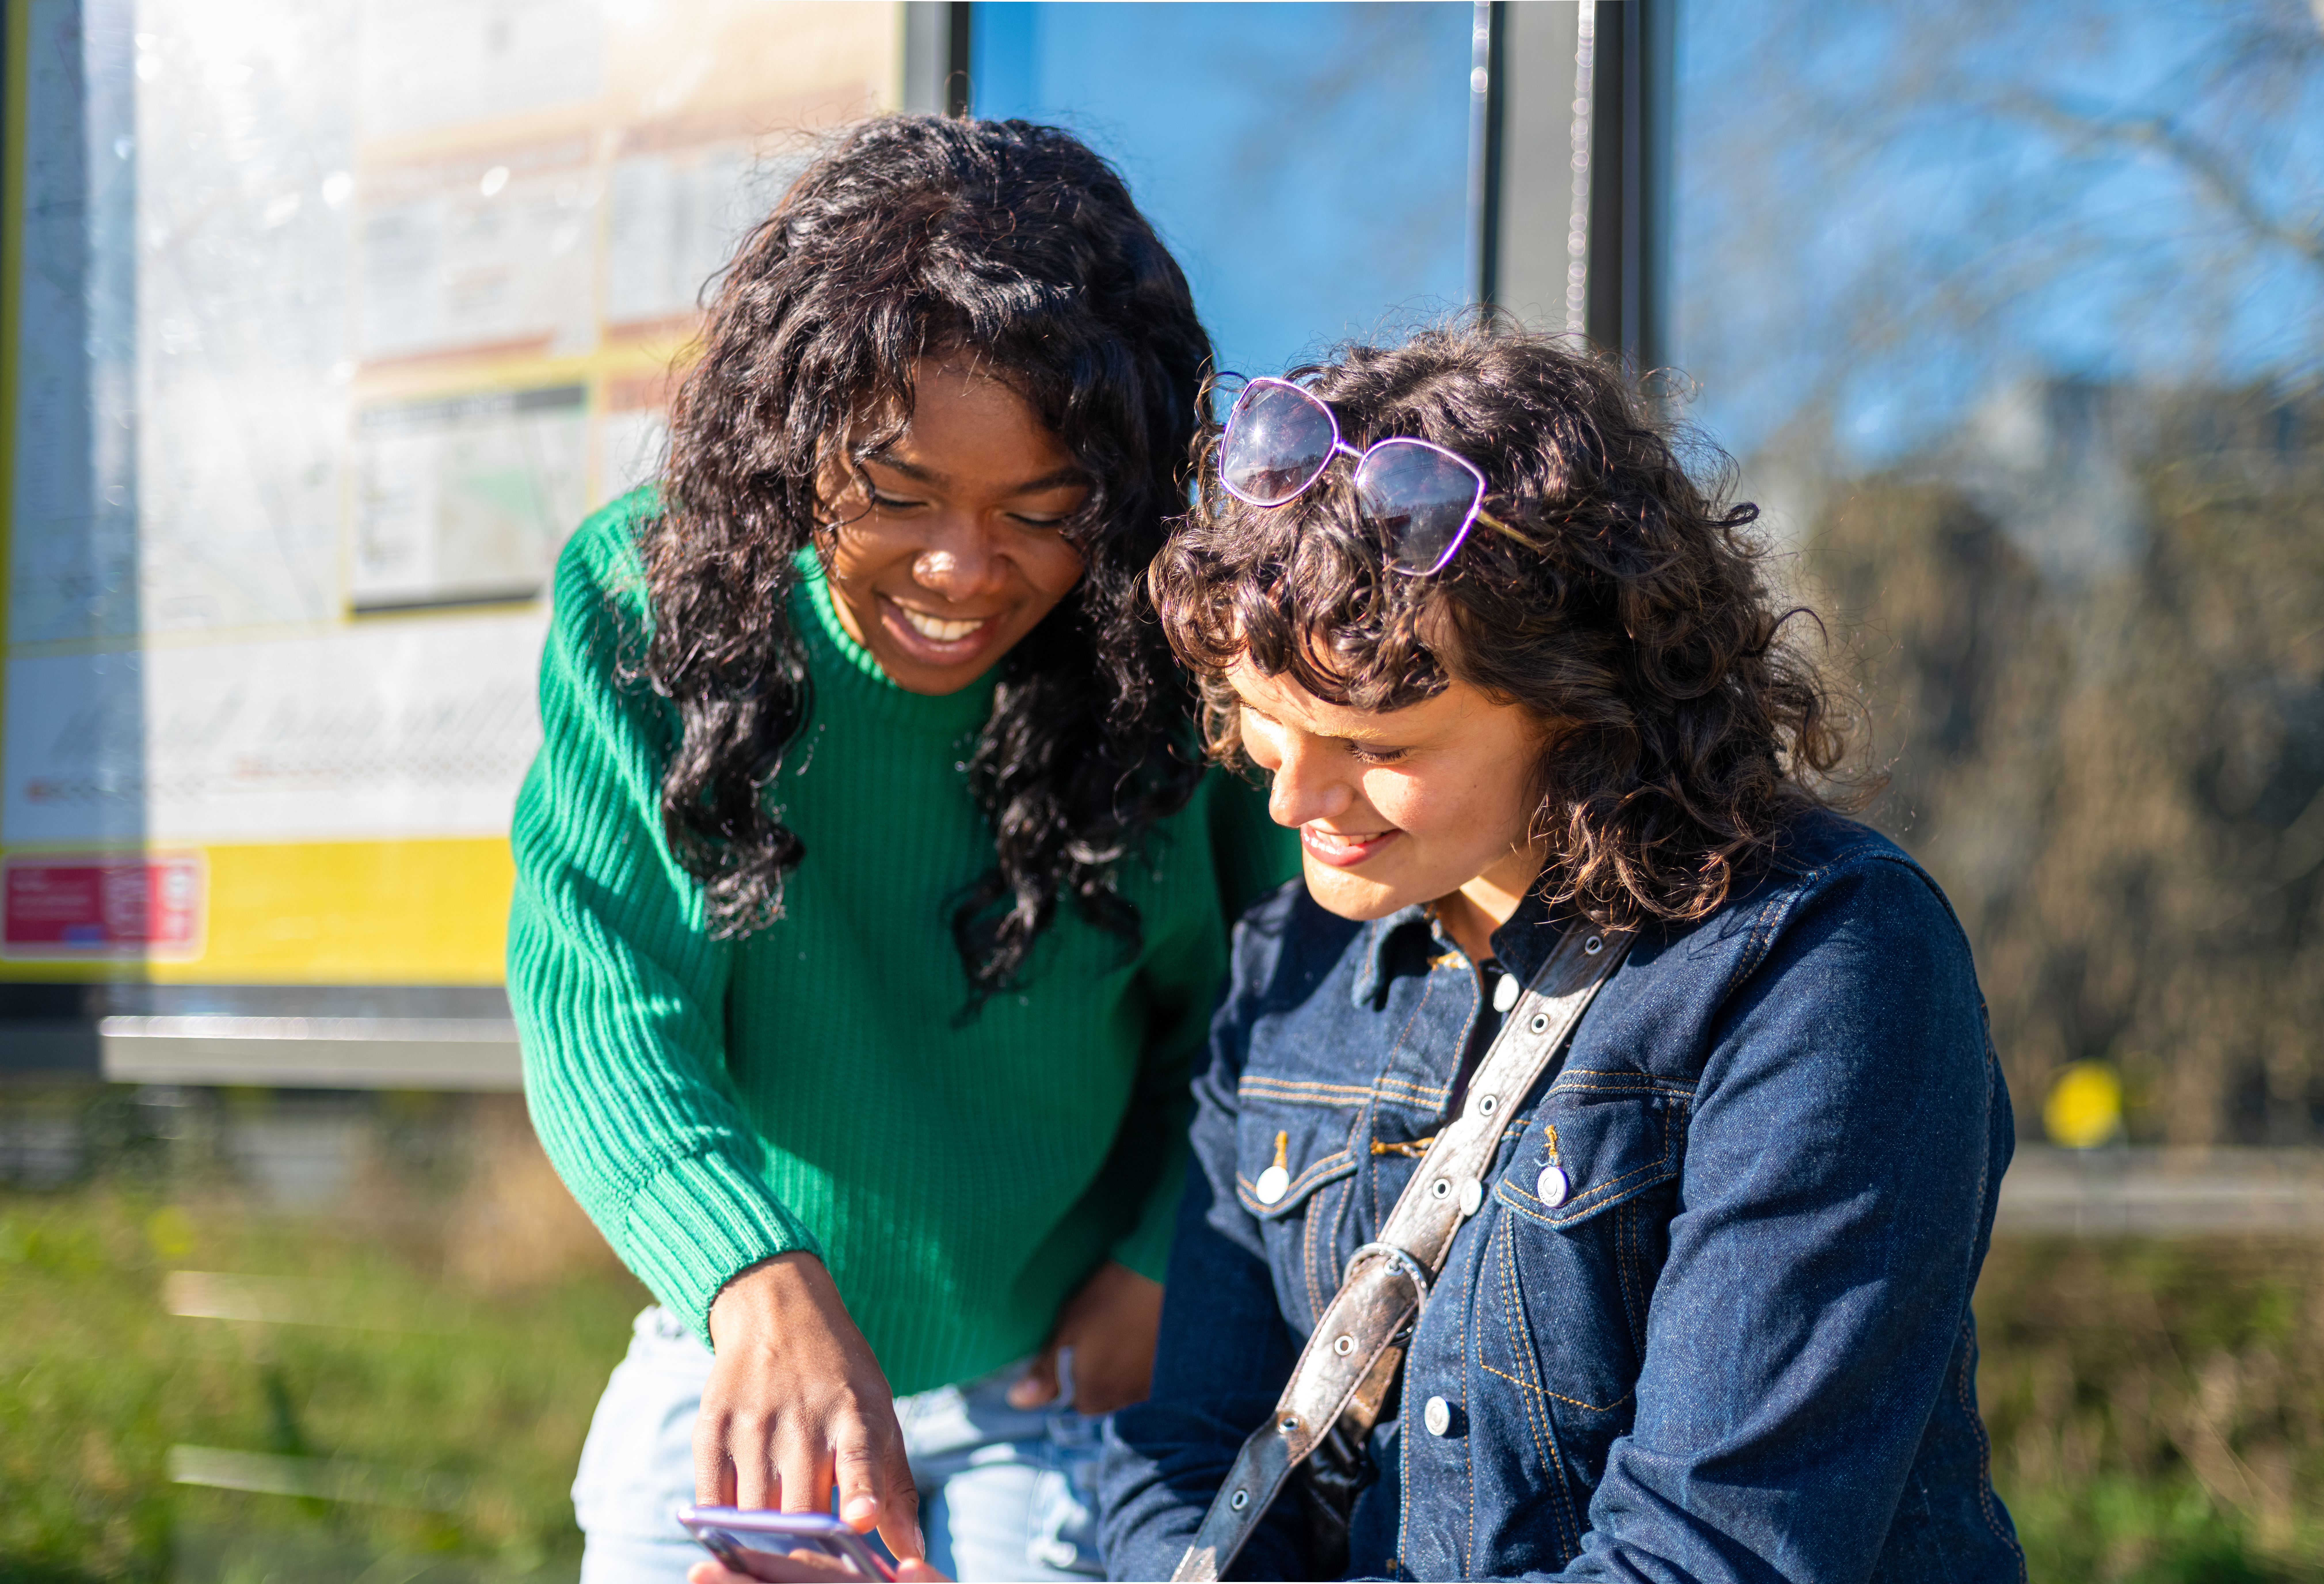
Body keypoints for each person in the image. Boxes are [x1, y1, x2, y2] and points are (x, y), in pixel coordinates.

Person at [1097, 323, 2026, 1581]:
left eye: (1381, 748)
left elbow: (1710, 1555)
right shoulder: (1292, 963)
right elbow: (1188, 1459)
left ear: (1582, 708)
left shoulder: (1821, 962)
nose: (1291, 798)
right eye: (1267, 718)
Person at [507, 115, 1296, 1584]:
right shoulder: (645, 604)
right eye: (897, 492)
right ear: (786, 433)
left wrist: (1157, 1255)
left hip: (1058, 1380)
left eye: (1044, 514)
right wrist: (748, 1272)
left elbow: (1265, 1004)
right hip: (744, 1338)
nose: (961, 571)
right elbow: (602, 996)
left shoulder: (1173, 662)